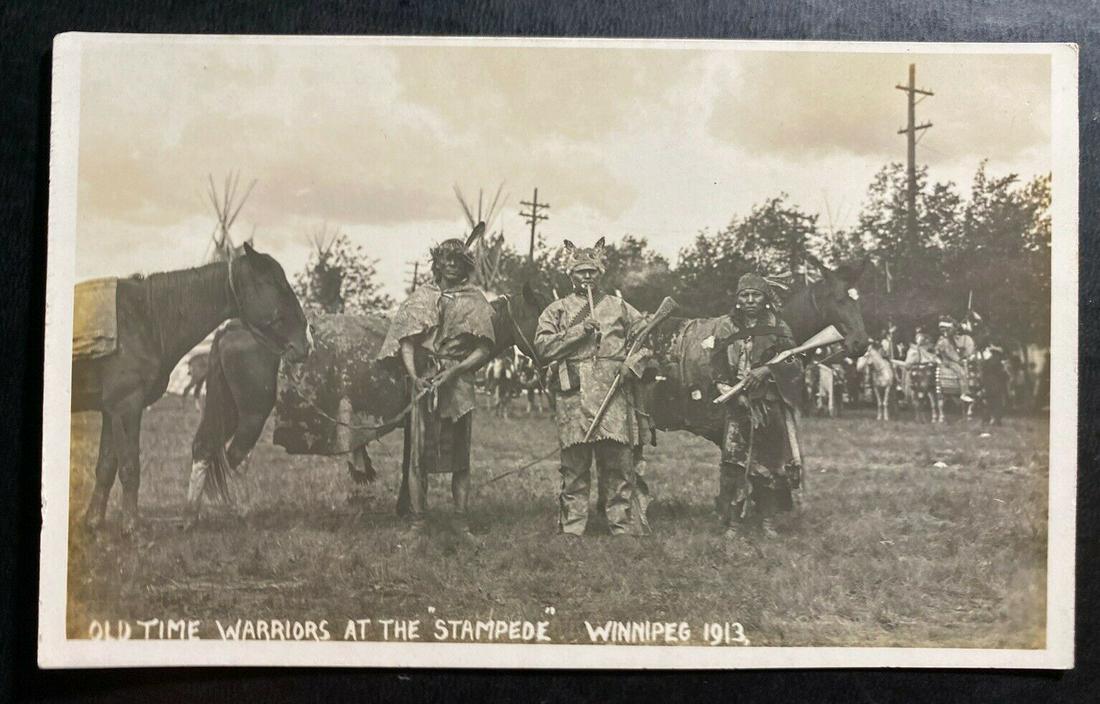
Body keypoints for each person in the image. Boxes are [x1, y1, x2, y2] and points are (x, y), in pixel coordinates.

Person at [377, 231, 495, 539]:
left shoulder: (475, 301)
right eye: (446, 260)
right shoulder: (420, 299)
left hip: (458, 386)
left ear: (466, 265)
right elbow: (406, 342)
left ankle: (461, 521)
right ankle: (418, 521)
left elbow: (483, 348)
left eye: (459, 260)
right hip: (425, 383)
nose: (452, 265)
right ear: (438, 263)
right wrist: (415, 376)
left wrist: (456, 372)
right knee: (418, 455)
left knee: (460, 458)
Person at [533, 237, 653, 538]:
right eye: (580, 272)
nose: (587, 277)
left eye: (592, 271)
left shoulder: (620, 307)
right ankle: (573, 527)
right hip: (573, 394)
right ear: (570, 274)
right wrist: (576, 333)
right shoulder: (556, 310)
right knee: (575, 466)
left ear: (601, 273)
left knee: (618, 463)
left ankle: (622, 525)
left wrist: (631, 365)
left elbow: (646, 341)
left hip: (614, 392)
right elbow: (542, 348)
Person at [712, 273, 804, 540]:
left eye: (756, 295)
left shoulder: (779, 326)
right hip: (736, 406)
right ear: (738, 299)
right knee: (734, 463)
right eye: (745, 295)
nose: (750, 300)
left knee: (770, 464)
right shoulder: (726, 327)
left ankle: (767, 520)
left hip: (768, 406)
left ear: (764, 299)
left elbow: (795, 362)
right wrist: (728, 390)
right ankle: (732, 523)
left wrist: (766, 371)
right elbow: (716, 364)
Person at [934, 316, 975, 403]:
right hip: (948, 362)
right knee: (962, 372)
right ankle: (964, 393)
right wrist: (959, 360)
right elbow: (950, 354)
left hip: (950, 359)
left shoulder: (949, 339)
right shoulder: (944, 341)